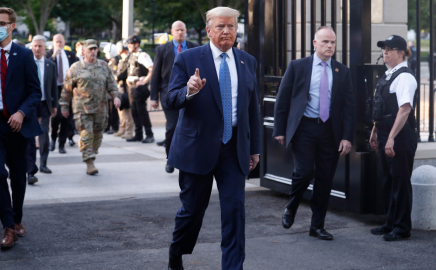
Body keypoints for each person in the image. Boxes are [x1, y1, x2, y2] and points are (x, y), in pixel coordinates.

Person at [166, 7, 261, 270]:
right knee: (192, 211)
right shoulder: (188, 59)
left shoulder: (247, 61)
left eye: (231, 26)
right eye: (220, 27)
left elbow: (252, 109)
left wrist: (255, 149)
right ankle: (177, 251)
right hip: (197, 148)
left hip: (233, 149)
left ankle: (233, 267)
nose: (227, 31)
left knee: (235, 212)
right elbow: (170, 99)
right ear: (208, 30)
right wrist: (188, 90)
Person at [273, 26, 355, 240]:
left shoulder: (342, 71)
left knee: (325, 178)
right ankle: (291, 206)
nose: (330, 46)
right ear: (315, 43)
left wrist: (347, 137)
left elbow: (348, 107)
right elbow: (283, 100)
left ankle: (317, 226)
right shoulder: (298, 66)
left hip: (330, 131)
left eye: (333, 42)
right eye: (325, 42)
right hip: (305, 128)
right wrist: (280, 130)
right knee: (304, 171)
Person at [0, 7, 42, 248]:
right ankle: (8, 227)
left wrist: (21, 112)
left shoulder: (24, 55)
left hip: (17, 125)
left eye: (2, 23)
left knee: (18, 176)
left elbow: (35, 92)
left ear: (12, 26)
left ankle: (17, 219)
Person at [369, 35, 418, 241]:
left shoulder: (405, 76)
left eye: (390, 49)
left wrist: (390, 139)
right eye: (384, 48)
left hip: (400, 137)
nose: (385, 52)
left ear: (402, 53)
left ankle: (401, 228)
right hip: (384, 133)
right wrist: (374, 131)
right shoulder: (389, 74)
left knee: (400, 182)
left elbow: (404, 109)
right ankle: (389, 222)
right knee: (387, 181)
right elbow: (381, 107)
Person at [59, 39, 120, 175]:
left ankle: (91, 152)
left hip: (100, 108)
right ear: (84, 51)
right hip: (82, 109)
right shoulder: (76, 68)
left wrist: (116, 96)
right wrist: (64, 105)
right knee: (87, 134)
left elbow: (112, 85)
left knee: (97, 136)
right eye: (90, 49)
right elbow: (67, 89)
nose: (93, 52)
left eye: (95, 49)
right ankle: (89, 162)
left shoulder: (104, 66)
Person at [150, 20, 199, 173]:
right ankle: (171, 158)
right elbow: (155, 74)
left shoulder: (194, 48)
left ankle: (189, 157)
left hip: (191, 94)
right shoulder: (162, 49)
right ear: (171, 31)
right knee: (172, 126)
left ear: (186, 32)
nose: (180, 33)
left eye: (182, 30)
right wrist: (154, 97)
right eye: (177, 30)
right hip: (169, 95)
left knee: (190, 126)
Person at [26, 35, 58, 184]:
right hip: (29, 106)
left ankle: (43, 163)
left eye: (40, 46)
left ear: (45, 48)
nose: (37, 49)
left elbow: (53, 88)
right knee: (30, 139)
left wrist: (55, 105)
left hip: (45, 105)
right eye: (35, 46)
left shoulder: (50, 65)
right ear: (31, 47)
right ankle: (30, 170)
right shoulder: (25, 63)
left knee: (44, 136)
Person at [46, 34, 78, 153]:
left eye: (60, 42)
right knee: (56, 116)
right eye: (56, 42)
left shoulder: (71, 55)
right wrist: (54, 55)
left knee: (66, 117)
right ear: (53, 43)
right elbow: (47, 66)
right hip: (55, 89)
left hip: (67, 89)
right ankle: (53, 139)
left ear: (64, 43)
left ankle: (62, 144)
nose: (59, 44)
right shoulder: (49, 54)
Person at [123, 35, 155, 143]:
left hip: (139, 87)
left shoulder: (143, 55)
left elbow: (151, 68)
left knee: (141, 111)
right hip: (131, 87)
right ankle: (138, 134)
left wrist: (144, 81)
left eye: (130, 44)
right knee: (134, 111)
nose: (128, 46)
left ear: (137, 44)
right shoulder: (132, 55)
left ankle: (149, 134)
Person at [113, 42, 135, 139]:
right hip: (120, 87)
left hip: (126, 88)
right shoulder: (122, 60)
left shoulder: (128, 59)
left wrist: (116, 77)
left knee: (127, 110)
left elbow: (123, 74)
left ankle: (129, 131)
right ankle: (122, 128)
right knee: (121, 110)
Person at [103, 43, 120, 134]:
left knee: (113, 110)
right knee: (108, 110)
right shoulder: (111, 62)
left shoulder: (115, 62)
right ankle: (108, 126)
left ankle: (114, 127)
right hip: (109, 90)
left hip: (113, 90)